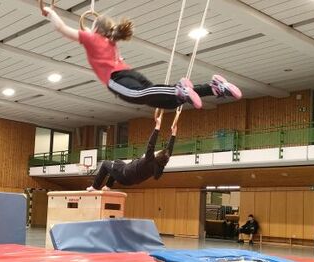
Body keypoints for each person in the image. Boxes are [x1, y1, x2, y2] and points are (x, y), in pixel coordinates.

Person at [42, 8, 242, 110]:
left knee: (138, 95)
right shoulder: (110, 41)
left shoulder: (92, 38)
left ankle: (178, 89)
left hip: (117, 78)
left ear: (94, 28)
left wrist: (51, 14)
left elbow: (62, 29)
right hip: (130, 73)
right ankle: (213, 87)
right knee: (165, 102)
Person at [86, 114, 173, 191]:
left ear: (158, 156)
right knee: (117, 162)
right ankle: (108, 186)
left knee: (105, 164)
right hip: (129, 180)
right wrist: (173, 134)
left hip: (123, 175)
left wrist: (157, 127)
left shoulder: (150, 159)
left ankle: (95, 186)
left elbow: (151, 144)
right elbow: (168, 154)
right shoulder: (159, 168)